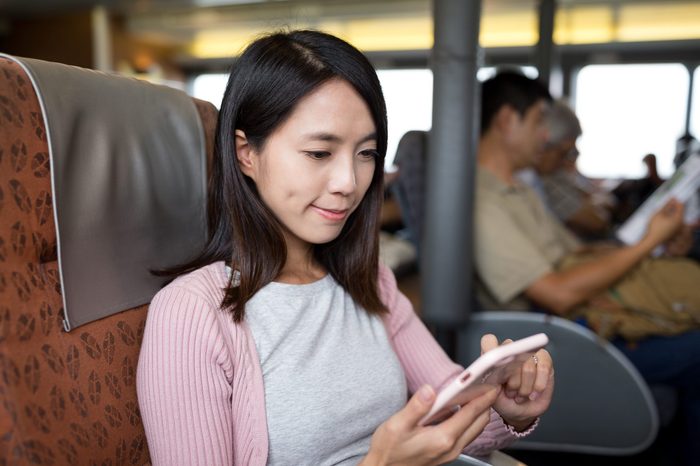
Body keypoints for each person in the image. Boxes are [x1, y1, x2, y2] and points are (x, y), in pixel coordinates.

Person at [136, 31, 554, 466]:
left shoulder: (371, 282)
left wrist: (506, 410)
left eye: (366, 153)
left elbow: (450, 414)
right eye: (320, 153)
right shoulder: (192, 313)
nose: (348, 183)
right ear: (246, 154)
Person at [474, 71, 700, 466]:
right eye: (539, 121)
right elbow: (558, 291)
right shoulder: (483, 201)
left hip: (587, 316)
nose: (547, 137)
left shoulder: (522, 189)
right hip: (563, 335)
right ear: (508, 120)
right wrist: (647, 242)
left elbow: (578, 258)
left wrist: (657, 247)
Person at [528, 100, 615, 239]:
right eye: (562, 153)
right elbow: (597, 221)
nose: (564, 161)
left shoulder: (546, 176)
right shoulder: (544, 181)